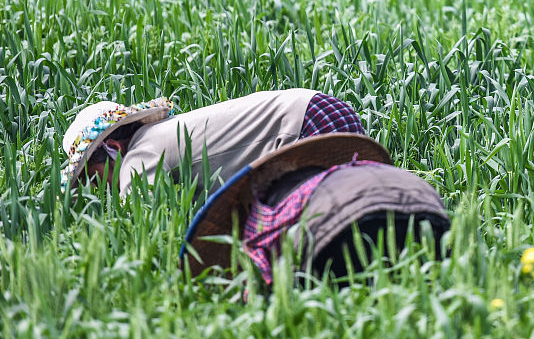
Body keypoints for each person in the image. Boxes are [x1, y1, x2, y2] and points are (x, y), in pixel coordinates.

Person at [182, 133, 450, 285]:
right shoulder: (347, 173)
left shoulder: (263, 208)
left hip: (345, 222)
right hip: (422, 197)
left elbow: (265, 272)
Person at [61, 88, 367, 195]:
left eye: (91, 177)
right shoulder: (159, 136)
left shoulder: (140, 157)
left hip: (307, 125)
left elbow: (146, 225)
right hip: (319, 110)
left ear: (112, 150)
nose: (96, 188)